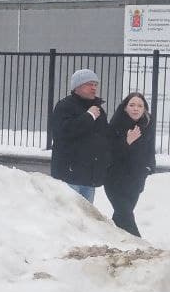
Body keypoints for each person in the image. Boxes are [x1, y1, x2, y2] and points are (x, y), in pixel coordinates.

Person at [49, 68, 110, 202]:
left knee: (85, 219)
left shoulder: (98, 110)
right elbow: (63, 132)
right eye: (89, 84)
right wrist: (89, 116)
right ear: (77, 86)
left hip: (90, 177)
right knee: (69, 217)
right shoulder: (65, 106)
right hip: (69, 176)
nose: (94, 88)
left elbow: (104, 138)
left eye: (95, 84)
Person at [106, 91, 156, 236]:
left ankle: (114, 240)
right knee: (125, 213)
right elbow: (109, 152)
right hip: (114, 179)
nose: (136, 108)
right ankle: (140, 244)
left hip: (136, 179)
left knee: (120, 216)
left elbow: (150, 150)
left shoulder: (147, 124)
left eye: (140, 105)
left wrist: (147, 169)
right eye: (132, 105)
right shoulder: (116, 124)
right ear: (125, 108)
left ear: (144, 109)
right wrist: (126, 142)